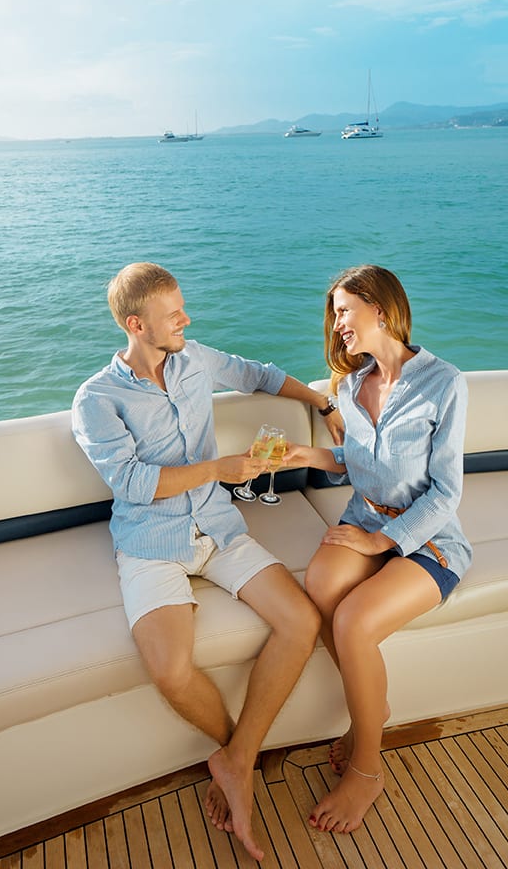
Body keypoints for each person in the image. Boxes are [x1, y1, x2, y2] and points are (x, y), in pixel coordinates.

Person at [71, 262, 343, 860]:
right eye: (174, 315)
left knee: (302, 621)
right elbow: (134, 483)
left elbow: (258, 375)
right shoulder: (96, 399)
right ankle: (238, 754)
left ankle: (236, 761)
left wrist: (322, 402)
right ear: (137, 325)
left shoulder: (196, 358)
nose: (186, 321)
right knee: (170, 671)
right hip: (150, 541)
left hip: (218, 526)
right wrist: (220, 469)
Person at [281, 264, 471, 834]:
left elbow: (447, 491)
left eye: (344, 310)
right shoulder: (346, 386)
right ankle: (374, 707)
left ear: (380, 309)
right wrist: (306, 456)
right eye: (334, 313)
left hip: (427, 537)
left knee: (355, 621)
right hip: (364, 517)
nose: (336, 324)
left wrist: (380, 540)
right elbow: (358, 463)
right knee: (318, 589)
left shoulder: (445, 382)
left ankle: (367, 767)